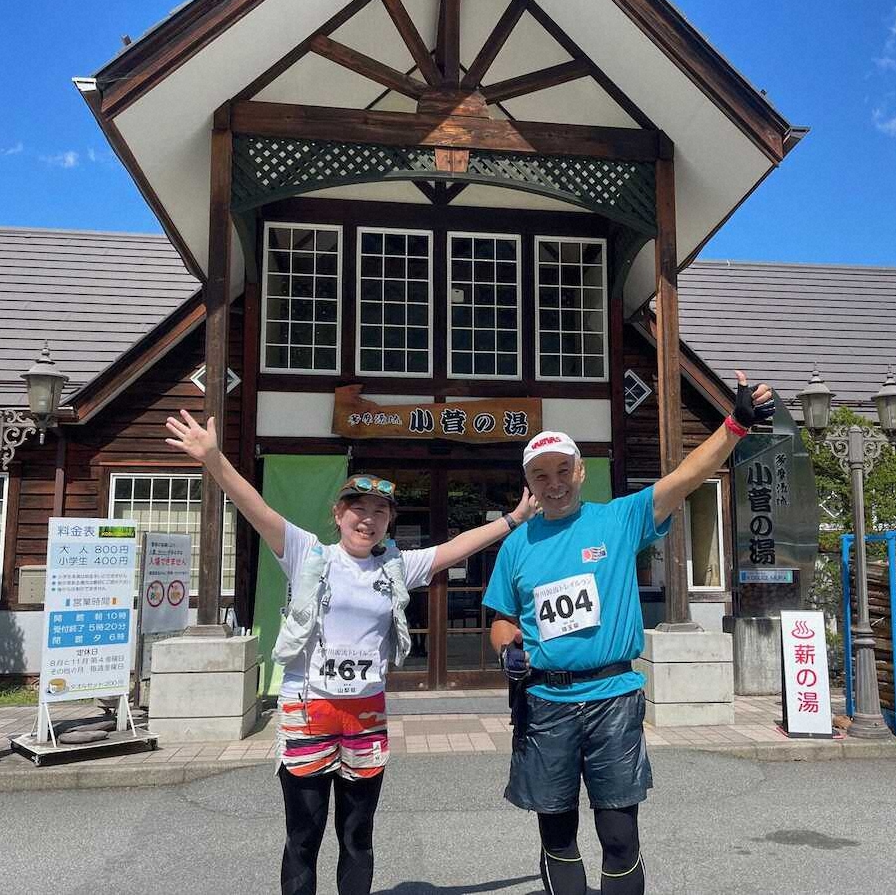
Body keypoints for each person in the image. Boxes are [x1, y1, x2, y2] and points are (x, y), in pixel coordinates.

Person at [165, 409, 538, 895]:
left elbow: (458, 547)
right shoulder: (308, 553)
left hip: (365, 714)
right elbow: (253, 505)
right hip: (307, 709)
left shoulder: (397, 566)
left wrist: (512, 518)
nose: (368, 518)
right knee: (303, 834)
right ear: (338, 515)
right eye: (357, 508)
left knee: (358, 836)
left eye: (379, 511)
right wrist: (214, 461)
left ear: (389, 521)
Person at [485, 372, 775, 895]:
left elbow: (686, 477)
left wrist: (735, 425)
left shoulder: (618, 519)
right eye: (540, 476)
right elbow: (502, 618)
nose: (553, 484)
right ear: (528, 483)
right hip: (544, 701)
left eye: (561, 471)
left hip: (612, 698)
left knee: (618, 834)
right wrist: (508, 649)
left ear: (580, 471)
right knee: (556, 833)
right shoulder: (517, 545)